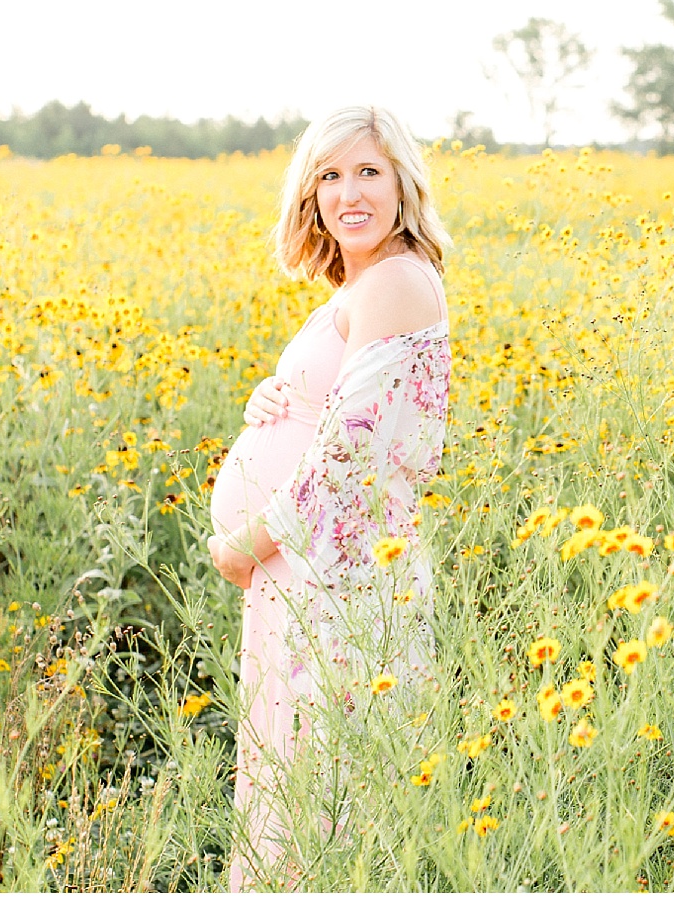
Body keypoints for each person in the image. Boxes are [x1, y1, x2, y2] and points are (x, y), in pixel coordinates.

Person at [205, 106, 451, 890]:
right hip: (312, 570)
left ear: (402, 182)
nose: (350, 192)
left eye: (368, 171)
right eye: (330, 175)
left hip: (336, 579)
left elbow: (349, 453)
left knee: (331, 798)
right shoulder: (368, 282)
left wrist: (247, 543)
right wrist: (272, 399)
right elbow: (335, 410)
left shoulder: (398, 281)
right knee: (301, 786)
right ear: (309, 193)